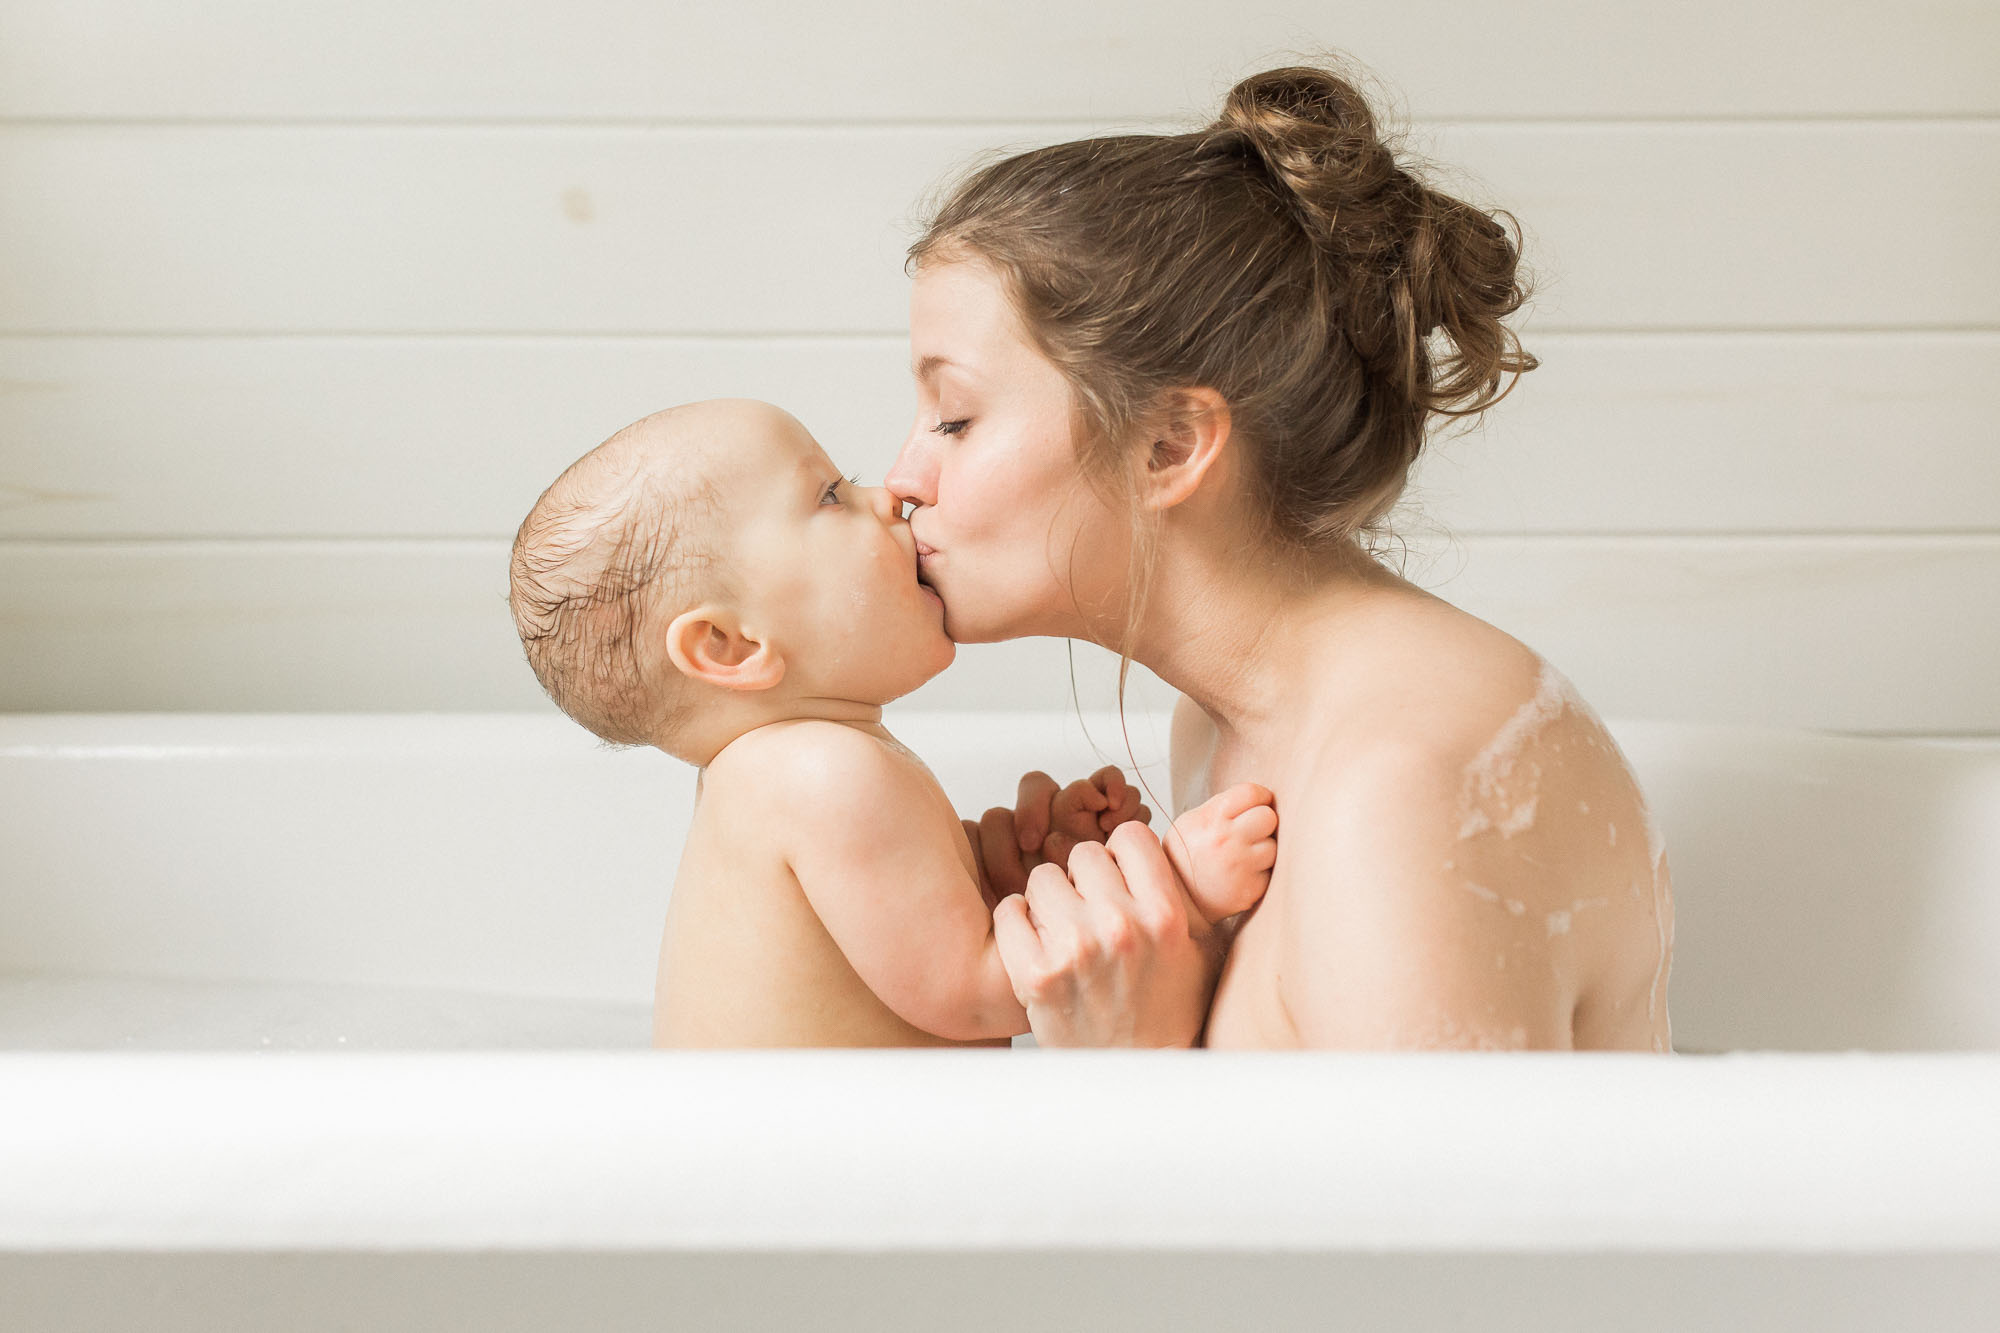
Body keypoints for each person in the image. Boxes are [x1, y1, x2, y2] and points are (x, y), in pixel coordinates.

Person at [886, 61, 1676, 1050]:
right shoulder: (1225, 730)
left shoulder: (1399, 794)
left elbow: (1432, 1170)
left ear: (1168, 447)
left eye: (954, 418)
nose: (900, 480)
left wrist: (1128, 1053)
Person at [506, 398, 1278, 1047]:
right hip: (818, 1182)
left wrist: (1009, 869)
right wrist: (1176, 886)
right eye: (830, 497)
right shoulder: (820, 775)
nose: (886, 499)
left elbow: (904, 940)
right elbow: (974, 992)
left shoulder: (784, 771)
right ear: (730, 645)